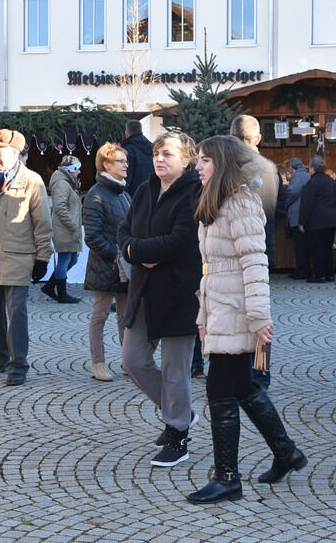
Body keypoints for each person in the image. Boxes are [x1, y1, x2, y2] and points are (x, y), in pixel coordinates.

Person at [186, 136, 307, 504]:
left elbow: (255, 263)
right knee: (242, 387)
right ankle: (286, 453)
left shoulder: (241, 203)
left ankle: (227, 479)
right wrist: (204, 315)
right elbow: (212, 269)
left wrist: (258, 317)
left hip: (237, 309)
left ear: (221, 163)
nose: (198, 166)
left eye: (205, 160)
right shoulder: (217, 201)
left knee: (220, 390)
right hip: (221, 305)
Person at [118, 132, 202, 467]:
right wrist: (137, 251)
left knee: (175, 369)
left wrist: (138, 249)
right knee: (133, 359)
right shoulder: (145, 189)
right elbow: (124, 231)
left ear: (186, 158)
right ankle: (179, 411)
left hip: (179, 291)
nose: (158, 159)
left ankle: (178, 435)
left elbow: (181, 241)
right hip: (143, 288)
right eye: (156, 153)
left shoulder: (195, 192)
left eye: (166, 153)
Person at [0, 129, 54, 386]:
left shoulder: (32, 181)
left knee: (17, 312)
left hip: (19, 257)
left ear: (15, 153)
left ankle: (18, 365)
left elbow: (43, 224)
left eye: (0, 151)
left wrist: (43, 257)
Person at [82, 142, 131, 382]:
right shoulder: (95, 195)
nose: (126, 165)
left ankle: (128, 362)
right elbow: (92, 236)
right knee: (100, 316)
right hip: (105, 265)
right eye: (120, 161)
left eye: (125, 160)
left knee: (125, 316)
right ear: (105, 164)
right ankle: (97, 363)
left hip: (125, 265)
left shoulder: (124, 193)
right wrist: (116, 255)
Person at [230, 115, 287, 268]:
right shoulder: (271, 167)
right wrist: (269, 222)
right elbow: (282, 204)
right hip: (263, 239)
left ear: (231, 137)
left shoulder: (225, 166)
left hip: (231, 245)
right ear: (258, 138)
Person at [298, 155, 336, 283]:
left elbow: (306, 204)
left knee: (316, 248)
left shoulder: (311, 183)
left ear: (312, 168)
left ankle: (319, 275)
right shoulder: (330, 181)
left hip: (317, 221)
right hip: (332, 220)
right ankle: (330, 274)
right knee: (328, 247)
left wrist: (302, 222)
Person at [45, 155, 83, 304]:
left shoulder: (68, 182)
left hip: (68, 228)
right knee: (65, 260)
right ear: (71, 170)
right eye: (77, 169)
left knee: (72, 259)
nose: (79, 172)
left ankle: (50, 286)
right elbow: (60, 207)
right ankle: (62, 294)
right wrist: (72, 225)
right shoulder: (62, 183)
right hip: (65, 228)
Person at [285, 157, 311, 280]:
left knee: (300, 245)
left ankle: (302, 271)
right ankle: (304, 269)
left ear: (291, 167)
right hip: (304, 214)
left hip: (297, 215)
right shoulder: (305, 175)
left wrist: (284, 203)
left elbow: (292, 192)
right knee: (304, 245)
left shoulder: (297, 177)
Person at [123, 119, 153, 196]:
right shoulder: (153, 147)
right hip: (152, 193)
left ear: (126, 134)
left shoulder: (128, 150)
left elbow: (126, 176)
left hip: (135, 196)